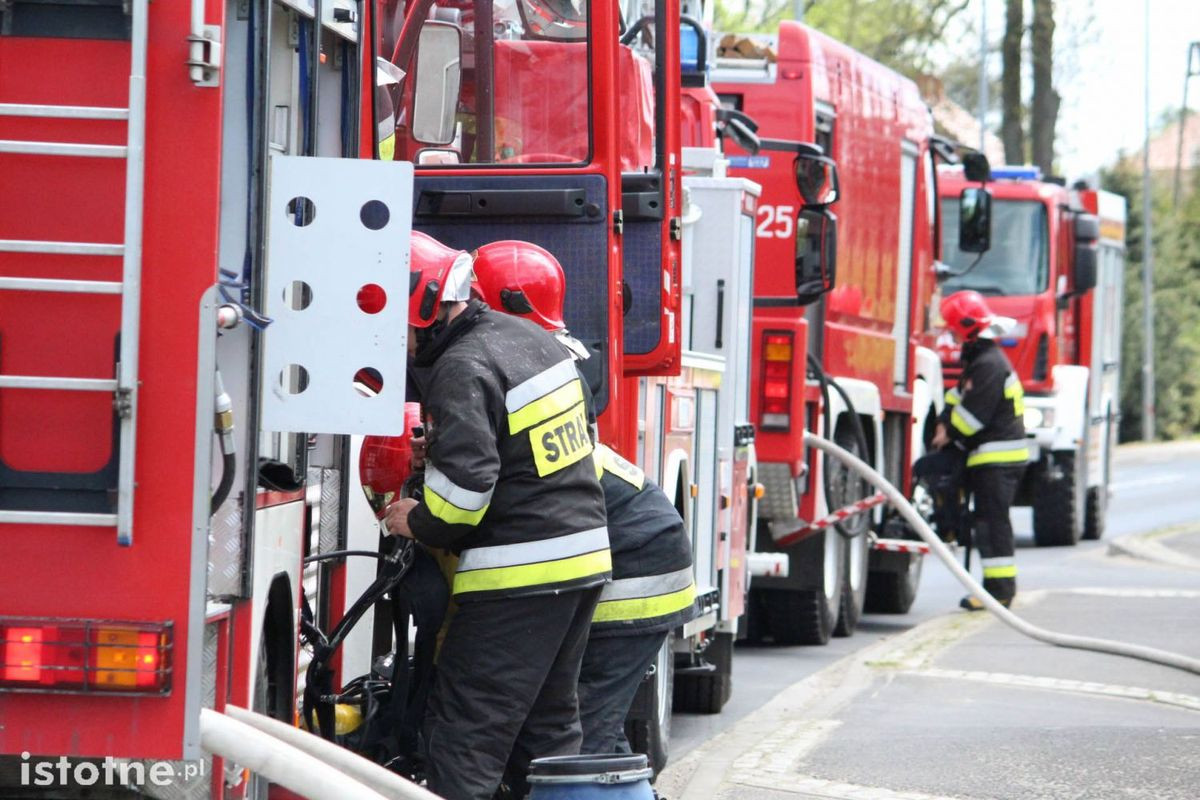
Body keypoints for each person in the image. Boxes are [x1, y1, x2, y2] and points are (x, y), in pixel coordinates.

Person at [383, 231, 611, 800]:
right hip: (577, 560)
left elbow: (465, 491)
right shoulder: (525, 339)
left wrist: (418, 519)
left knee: (467, 732)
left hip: (518, 573)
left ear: (424, 307)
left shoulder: (461, 366)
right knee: (549, 730)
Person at [473, 240, 697, 757]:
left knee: (585, 731)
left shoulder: (511, 363)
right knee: (579, 727)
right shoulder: (550, 359)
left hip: (636, 563)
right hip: (632, 546)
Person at [933, 290, 1029, 611]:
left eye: (954, 331)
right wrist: (944, 419)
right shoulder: (981, 363)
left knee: (992, 525)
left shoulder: (988, 366)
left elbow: (970, 419)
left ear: (967, 329)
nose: (952, 338)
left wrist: (949, 429)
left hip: (998, 460)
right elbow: (958, 400)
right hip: (992, 459)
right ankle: (993, 592)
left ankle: (999, 593)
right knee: (987, 524)